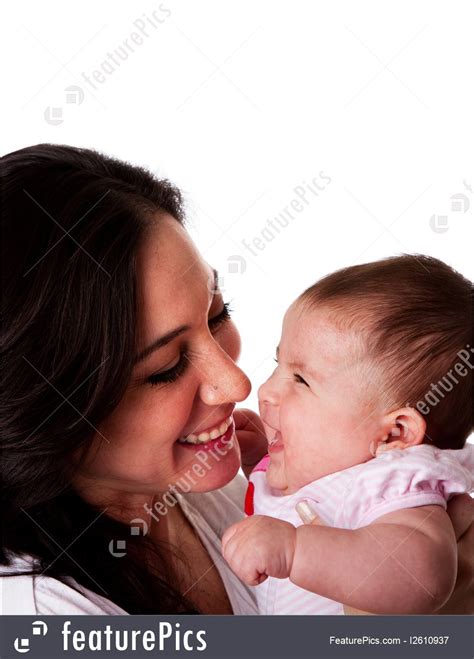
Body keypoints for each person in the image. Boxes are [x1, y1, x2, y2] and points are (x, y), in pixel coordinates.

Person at [0, 145, 472, 615]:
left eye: (218, 313)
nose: (238, 385)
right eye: (166, 366)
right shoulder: (42, 615)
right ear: (47, 415)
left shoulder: (215, 486)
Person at [222, 256, 474, 614]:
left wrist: (295, 551)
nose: (265, 391)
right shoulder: (340, 466)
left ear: (394, 434)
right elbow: (309, 500)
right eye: (278, 366)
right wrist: (263, 458)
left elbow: (421, 575)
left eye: (301, 380)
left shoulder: (389, 483)